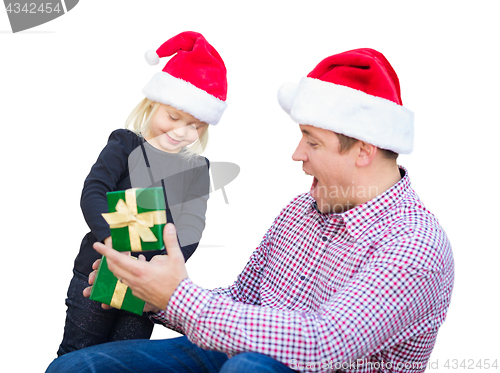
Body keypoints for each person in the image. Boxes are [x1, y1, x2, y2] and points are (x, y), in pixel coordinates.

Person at [47, 48, 454, 373]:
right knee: (77, 367)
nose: (297, 155)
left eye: (311, 142)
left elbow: (323, 344)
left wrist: (177, 297)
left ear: (364, 150)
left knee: (249, 367)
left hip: (290, 366)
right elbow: (243, 299)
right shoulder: (300, 212)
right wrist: (151, 293)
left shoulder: (415, 245)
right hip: (234, 354)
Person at [56, 31, 228, 357]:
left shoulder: (197, 169)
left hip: (147, 283)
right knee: (77, 355)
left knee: (126, 360)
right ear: (152, 104)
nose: (181, 132)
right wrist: (114, 245)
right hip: (99, 269)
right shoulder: (125, 144)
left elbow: (190, 229)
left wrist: (153, 265)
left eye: (195, 126)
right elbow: (93, 191)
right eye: (173, 117)